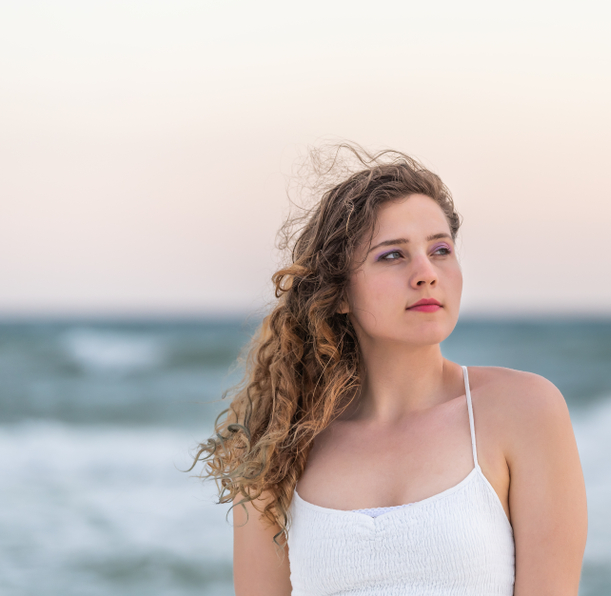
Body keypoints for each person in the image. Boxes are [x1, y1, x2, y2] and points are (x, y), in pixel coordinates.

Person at [194, 146, 588, 595]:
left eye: (440, 250)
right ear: (338, 294)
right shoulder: (281, 442)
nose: (426, 273)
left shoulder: (523, 410)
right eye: (392, 256)